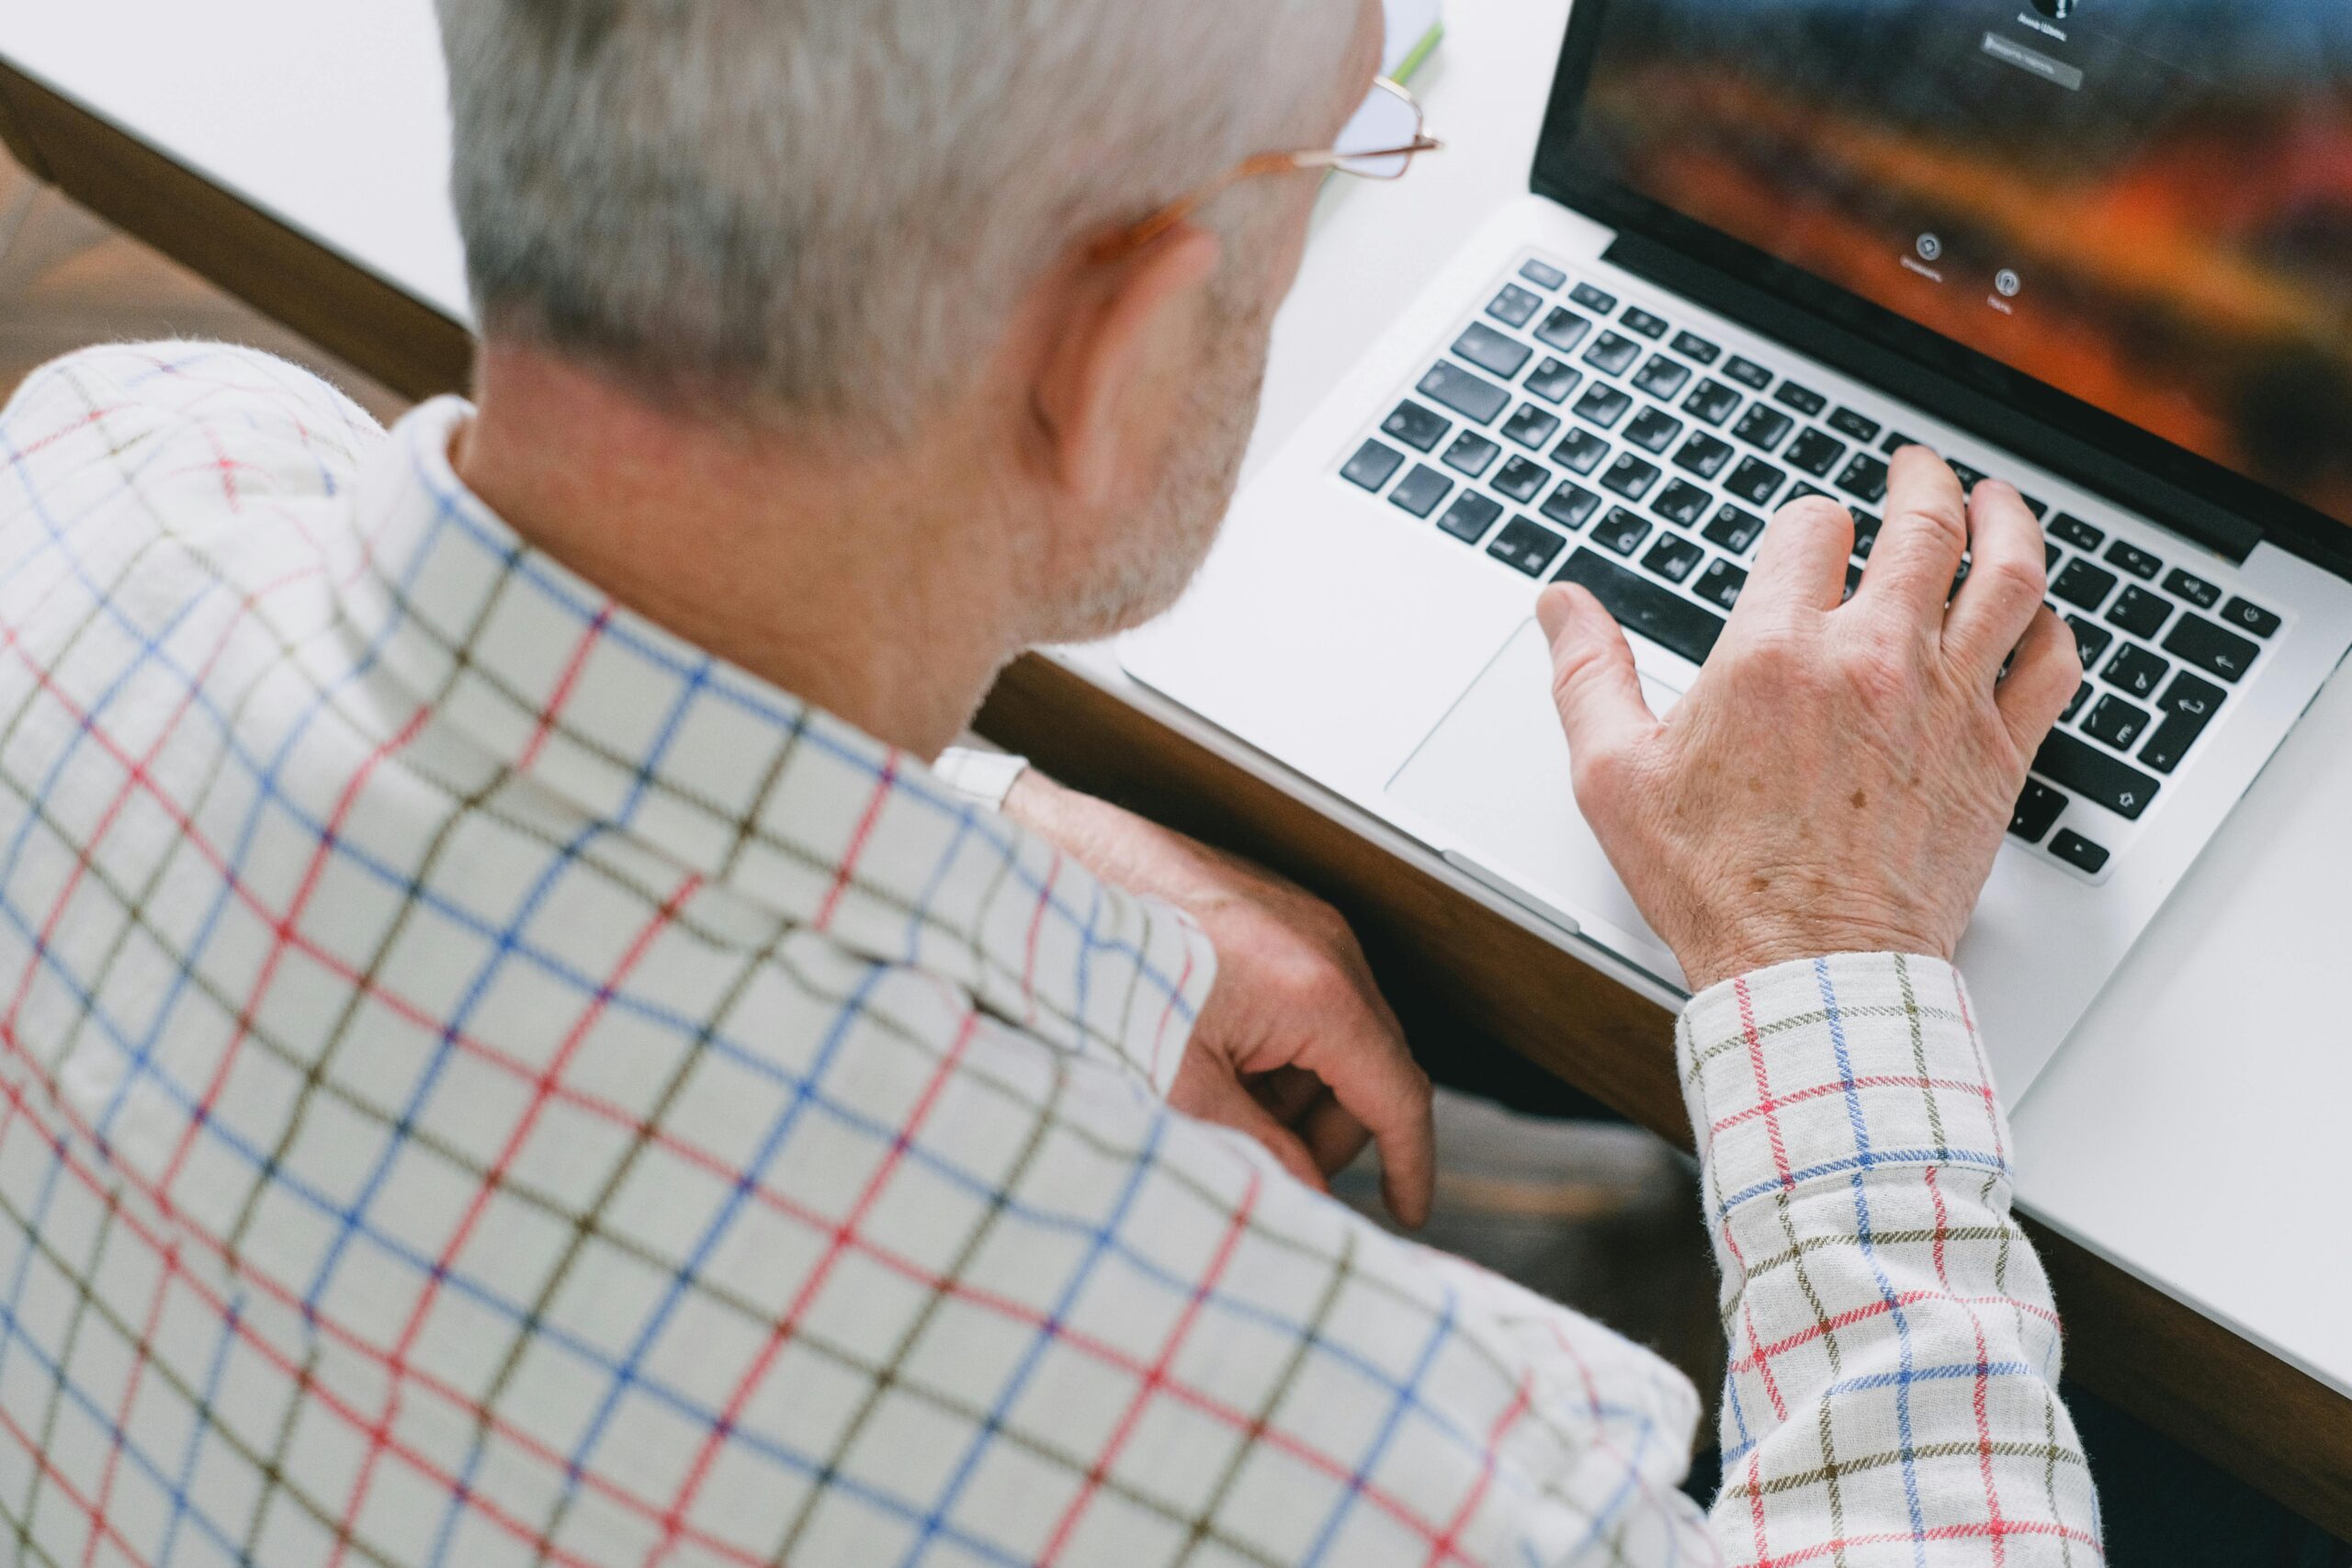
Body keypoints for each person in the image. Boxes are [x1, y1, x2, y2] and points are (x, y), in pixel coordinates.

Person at [0, 0, 2100, 1562]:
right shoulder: (1341, 1457)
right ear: (1109, 358)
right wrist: (1820, 945)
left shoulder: (114, 465)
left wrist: (995, 837)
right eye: (1334, 149)